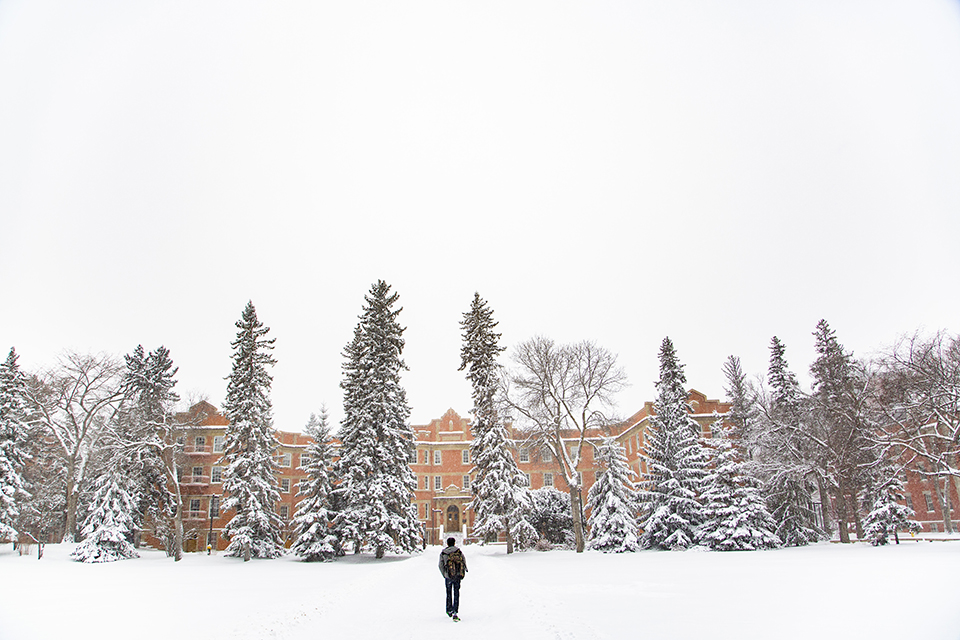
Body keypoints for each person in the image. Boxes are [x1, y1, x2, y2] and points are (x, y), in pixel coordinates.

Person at [438, 537, 467, 621]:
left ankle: (449, 609)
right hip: (457, 575)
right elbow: (464, 561)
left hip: (448, 576)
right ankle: (455, 610)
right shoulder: (458, 551)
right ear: (454, 543)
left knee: (449, 593)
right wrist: (462, 572)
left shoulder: (444, 553)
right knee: (456, 593)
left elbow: (440, 565)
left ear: (447, 543)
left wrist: (445, 574)